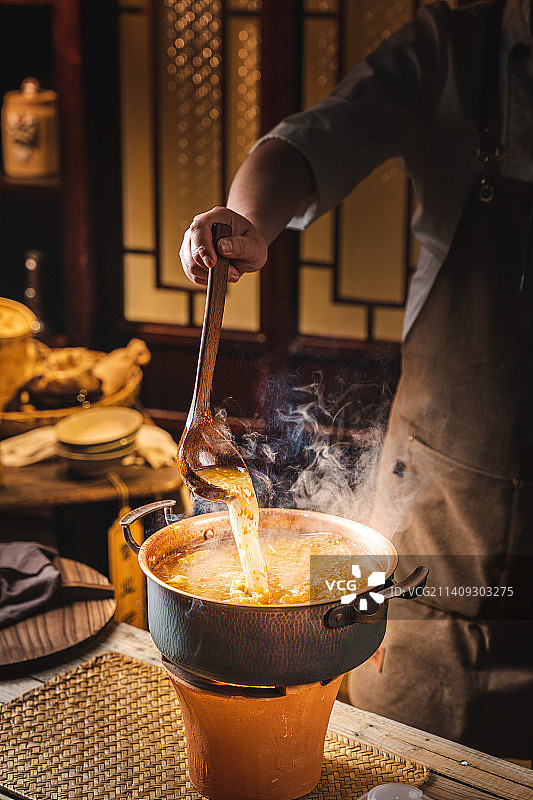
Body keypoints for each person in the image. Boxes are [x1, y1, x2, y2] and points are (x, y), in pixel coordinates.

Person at [179, 0, 533, 758]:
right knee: (390, 732)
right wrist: (244, 221)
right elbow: (308, 144)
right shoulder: (451, 45)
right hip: (439, 474)